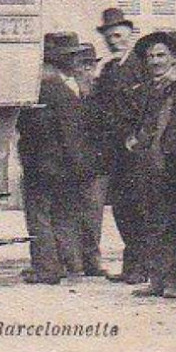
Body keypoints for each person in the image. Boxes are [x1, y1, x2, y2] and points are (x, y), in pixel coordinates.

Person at [126, 31, 176, 302]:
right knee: (154, 221)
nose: (155, 61)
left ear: (172, 58)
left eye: (161, 55)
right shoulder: (148, 88)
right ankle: (157, 279)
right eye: (151, 57)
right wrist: (134, 140)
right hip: (150, 161)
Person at [15, 32, 93, 284]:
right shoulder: (65, 90)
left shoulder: (39, 90)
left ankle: (47, 269)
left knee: (39, 217)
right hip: (64, 167)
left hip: (40, 165)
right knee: (64, 216)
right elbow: (73, 137)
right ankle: (73, 265)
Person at [92, 7, 148, 283]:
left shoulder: (142, 67)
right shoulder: (109, 69)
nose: (114, 41)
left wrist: (137, 136)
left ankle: (141, 268)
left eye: (118, 35)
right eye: (109, 37)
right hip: (114, 151)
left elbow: (146, 108)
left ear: (130, 35)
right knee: (122, 209)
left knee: (138, 207)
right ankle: (132, 267)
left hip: (136, 150)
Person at [66, 41, 109, 278]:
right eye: (82, 65)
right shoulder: (70, 93)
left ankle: (92, 261)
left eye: (90, 65)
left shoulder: (101, 93)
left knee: (93, 215)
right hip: (74, 164)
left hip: (96, 164)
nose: (86, 71)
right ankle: (73, 262)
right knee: (72, 213)